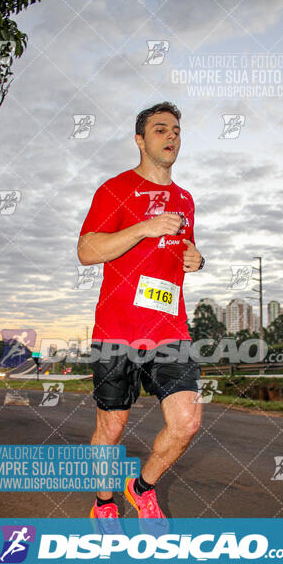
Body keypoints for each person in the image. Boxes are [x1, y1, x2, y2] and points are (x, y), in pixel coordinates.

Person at [77, 102, 205, 523]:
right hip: (117, 331)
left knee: (186, 422)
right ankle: (104, 502)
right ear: (140, 139)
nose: (171, 137)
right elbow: (86, 251)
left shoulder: (185, 199)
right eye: (160, 129)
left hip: (170, 330)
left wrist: (195, 258)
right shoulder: (115, 189)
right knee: (111, 429)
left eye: (176, 131)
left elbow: (179, 252)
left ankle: (142, 487)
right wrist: (142, 228)